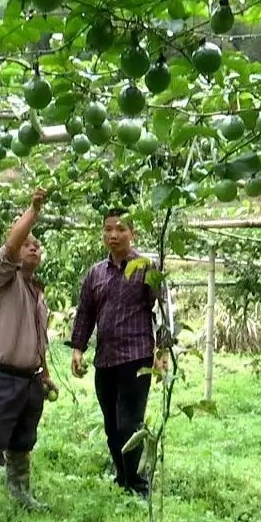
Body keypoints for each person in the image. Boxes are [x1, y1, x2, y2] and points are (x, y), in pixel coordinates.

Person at [0, 188, 58, 522]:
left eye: (37, 244)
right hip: (1, 375)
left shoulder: (36, 291)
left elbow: (39, 339)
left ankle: (20, 491)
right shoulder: (3, 279)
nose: (33, 246)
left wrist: (45, 373)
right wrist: (33, 212)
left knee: (23, 440)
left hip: (30, 378)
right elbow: (10, 244)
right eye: (27, 243)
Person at [68, 209, 171, 498]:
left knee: (129, 423)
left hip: (136, 359)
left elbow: (162, 309)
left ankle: (138, 485)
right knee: (112, 424)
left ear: (132, 233)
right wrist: (78, 348)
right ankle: (123, 477)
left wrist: (162, 349)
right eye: (108, 229)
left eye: (120, 229)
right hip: (105, 360)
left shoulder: (146, 267)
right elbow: (86, 313)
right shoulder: (96, 273)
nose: (113, 235)